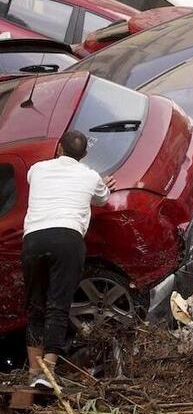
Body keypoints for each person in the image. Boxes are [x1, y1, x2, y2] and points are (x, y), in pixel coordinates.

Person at [22, 131, 115, 388]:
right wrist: (102, 183)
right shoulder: (90, 176)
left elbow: (38, 183)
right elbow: (103, 198)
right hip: (67, 239)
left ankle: (33, 372)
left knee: (35, 306)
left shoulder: (37, 169)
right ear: (84, 155)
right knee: (58, 305)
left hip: (34, 240)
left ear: (59, 148)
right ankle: (47, 373)